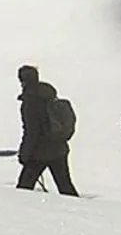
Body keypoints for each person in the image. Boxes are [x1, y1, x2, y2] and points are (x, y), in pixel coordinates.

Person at [15, 65, 79, 196]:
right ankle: (83, 212)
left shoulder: (30, 103)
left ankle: (20, 214)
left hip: (39, 153)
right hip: (59, 149)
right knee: (65, 186)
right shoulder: (48, 95)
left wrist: (24, 155)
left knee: (23, 188)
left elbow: (31, 132)